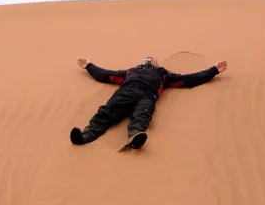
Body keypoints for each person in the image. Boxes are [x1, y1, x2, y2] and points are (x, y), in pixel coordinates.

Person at [70, 56, 228, 151]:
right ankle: (85, 136)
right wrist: (89, 66)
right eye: (147, 58)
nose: (149, 59)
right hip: (126, 92)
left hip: (147, 96)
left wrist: (213, 70)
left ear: (157, 63)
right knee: (107, 111)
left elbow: (189, 79)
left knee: (142, 115)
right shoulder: (131, 72)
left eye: (152, 59)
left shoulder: (164, 74)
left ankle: (135, 137)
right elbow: (106, 75)